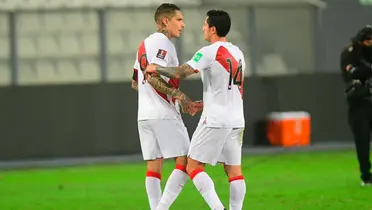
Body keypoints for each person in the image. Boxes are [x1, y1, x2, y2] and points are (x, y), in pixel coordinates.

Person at [146, 9, 246, 210]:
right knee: (234, 171)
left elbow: (182, 72)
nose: (202, 28)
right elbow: (230, 86)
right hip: (237, 119)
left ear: (213, 29)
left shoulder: (210, 51)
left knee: (192, 166)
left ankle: (218, 208)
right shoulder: (238, 52)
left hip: (216, 120)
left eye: (205, 24)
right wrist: (207, 101)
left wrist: (156, 68)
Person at [131, 3, 200, 209]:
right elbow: (152, 76)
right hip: (163, 113)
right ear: (165, 21)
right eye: (178, 20)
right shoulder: (163, 43)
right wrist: (177, 94)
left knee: (154, 165)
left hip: (144, 114)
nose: (183, 24)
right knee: (186, 162)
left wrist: (150, 97)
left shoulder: (144, 44)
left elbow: (136, 82)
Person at [341, 25, 372, 187]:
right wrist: (366, 70)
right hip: (359, 102)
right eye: (368, 41)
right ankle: (366, 174)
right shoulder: (351, 52)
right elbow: (349, 73)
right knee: (362, 139)